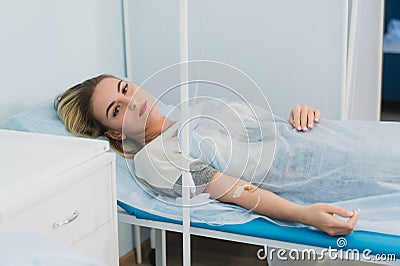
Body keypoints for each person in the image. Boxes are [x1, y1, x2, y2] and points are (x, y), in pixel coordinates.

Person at [55, 74, 365, 236]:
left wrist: (299, 116)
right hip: (317, 171)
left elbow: (259, 136)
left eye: (125, 89)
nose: (132, 101)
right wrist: (303, 215)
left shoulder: (190, 115)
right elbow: (234, 190)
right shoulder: (154, 159)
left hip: (323, 140)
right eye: (117, 110)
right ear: (114, 133)